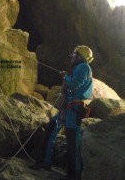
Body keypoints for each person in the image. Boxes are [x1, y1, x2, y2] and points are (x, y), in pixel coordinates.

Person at [30, 45, 93, 180]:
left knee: (72, 141)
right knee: (51, 130)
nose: (72, 55)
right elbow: (73, 85)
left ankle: (73, 174)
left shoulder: (84, 67)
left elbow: (75, 84)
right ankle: (45, 162)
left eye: (75, 54)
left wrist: (65, 78)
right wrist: (66, 82)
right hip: (68, 108)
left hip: (74, 109)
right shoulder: (78, 69)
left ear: (81, 56)